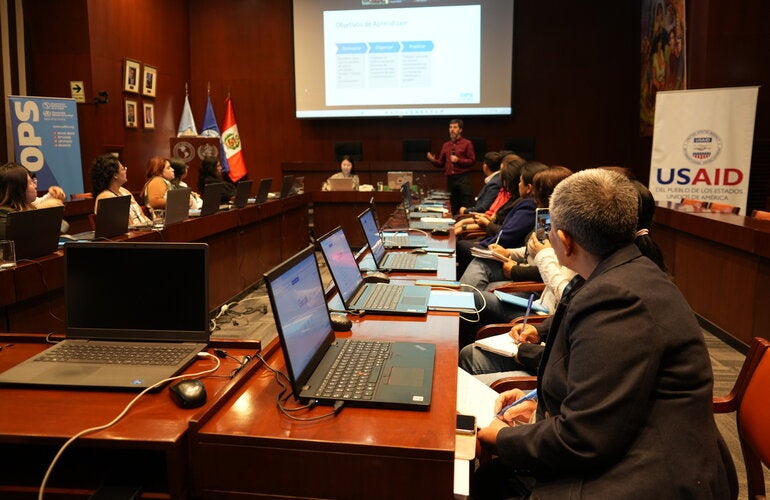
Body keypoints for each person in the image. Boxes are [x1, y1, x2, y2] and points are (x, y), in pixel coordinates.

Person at [472, 169, 733, 499]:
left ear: (565, 241)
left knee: (485, 478)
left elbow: (582, 439)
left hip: (648, 479)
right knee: (489, 478)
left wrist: (500, 436)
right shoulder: (620, 273)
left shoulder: (618, 300)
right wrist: (538, 405)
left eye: (550, 229)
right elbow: (607, 387)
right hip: (629, 451)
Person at [455, 161, 547, 278]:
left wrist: (514, 267)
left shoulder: (533, 208)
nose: (518, 184)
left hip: (509, 259)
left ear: (529, 188)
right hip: (504, 252)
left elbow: (508, 236)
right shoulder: (536, 208)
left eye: (520, 181)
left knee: (469, 254)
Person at [427, 118, 475, 214]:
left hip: (463, 179)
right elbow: (441, 163)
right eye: (450, 127)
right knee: (452, 206)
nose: (452, 129)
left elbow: (472, 161)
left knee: (465, 205)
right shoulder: (446, 145)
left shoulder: (467, 143)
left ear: (460, 130)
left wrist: (458, 160)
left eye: (455, 127)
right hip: (450, 179)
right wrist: (433, 160)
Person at [90, 154, 152, 228]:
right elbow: (121, 227)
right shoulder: (105, 197)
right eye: (123, 169)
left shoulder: (124, 191)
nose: (126, 170)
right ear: (115, 175)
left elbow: (142, 216)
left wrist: (153, 224)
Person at [457, 151, 502, 215]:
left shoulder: (494, 183)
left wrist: (466, 211)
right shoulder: (495, 179)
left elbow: (484, 208)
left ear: (485, 166)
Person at [0, 162, 38, 239]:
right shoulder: (6, 220)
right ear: (18, 190)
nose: (35, 185)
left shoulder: (29, 209)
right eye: (31, 182)